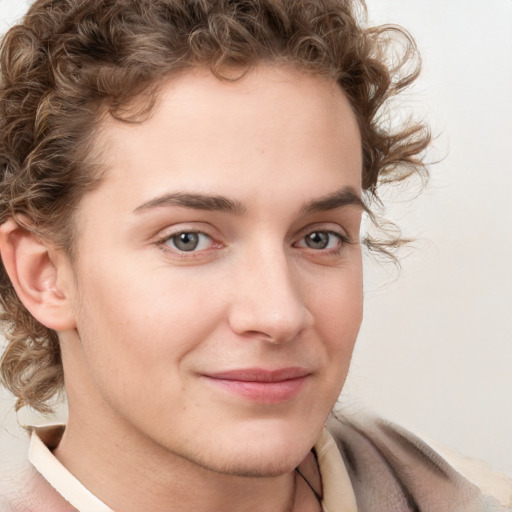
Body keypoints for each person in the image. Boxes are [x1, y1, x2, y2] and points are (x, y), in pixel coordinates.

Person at [0, 0, 509, 510]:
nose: (279, 315)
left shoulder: (466, 497)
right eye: (188, 239)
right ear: (45, 274)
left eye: (319, 237)